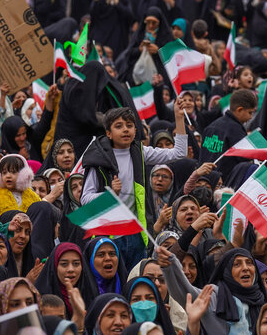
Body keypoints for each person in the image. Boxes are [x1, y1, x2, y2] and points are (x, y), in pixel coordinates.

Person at [81, 103, 188, 268]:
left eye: (129, 126)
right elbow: (85, 199)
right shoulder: (98, 159)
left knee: (135, 279)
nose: (125, 129)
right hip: (109, 237)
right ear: (108, 133)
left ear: (135, 131)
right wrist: (110, 194)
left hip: (136, 234)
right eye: (119, 126)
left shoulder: (139, 152)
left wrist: (179, 118)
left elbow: (179, 153)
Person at [199, 89, 258, 179]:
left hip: (204, 180)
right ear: (240, 110)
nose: (250, 117)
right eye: (250, 112)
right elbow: (245, 159)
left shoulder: (211, 126)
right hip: (223, 182)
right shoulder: (236, 130)